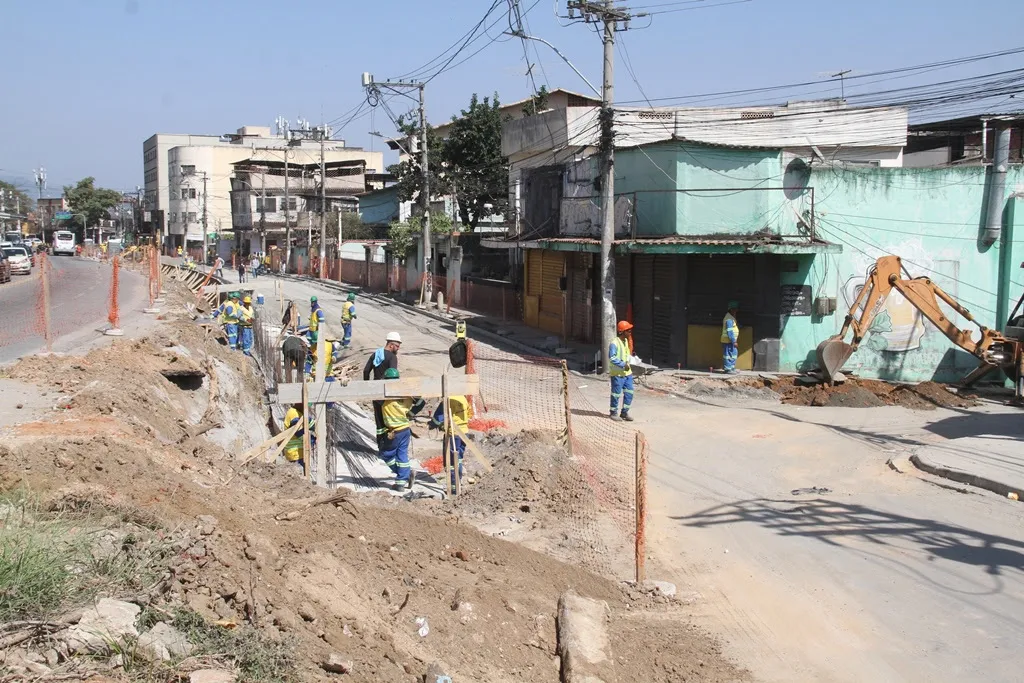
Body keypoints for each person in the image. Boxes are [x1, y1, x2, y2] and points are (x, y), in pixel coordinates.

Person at [379, 367, 425, 491]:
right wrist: (412, 412)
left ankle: (405, 475)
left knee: (386, 454)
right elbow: (421, 401)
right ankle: (401, 482)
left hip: (395, 430)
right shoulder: (406, 391)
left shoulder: (384, 393)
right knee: (402, 455)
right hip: (405, 429)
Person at [364, 332, 402, 450]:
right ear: (391, 345)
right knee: (390, 421)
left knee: (379, 422)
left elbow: (366, 371)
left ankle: (381, 447)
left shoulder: (376, 354)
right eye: (397, 346)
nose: (398, 348)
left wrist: (368, 386)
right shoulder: (392, 357)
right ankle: (389, 448)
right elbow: (393, 377)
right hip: (387, 393)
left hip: (376, 392)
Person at [430, 394, 473, 492]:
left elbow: (438, 418)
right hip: (464, 432)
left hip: (453, 433)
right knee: (459, 458)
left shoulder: (448, 400)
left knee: (452, 461)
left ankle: (454, 487)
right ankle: (458, 481)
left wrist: (432, 424)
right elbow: (469, 414)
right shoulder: (463, 398)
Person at [609, 320, 635, 421]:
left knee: (629, 393)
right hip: (617, 374)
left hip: (627, 373)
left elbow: (626, 355)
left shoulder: (626, 342)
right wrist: (623, 365)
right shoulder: (614, 343)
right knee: (616, 394)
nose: (630, 332)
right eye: (628, 330)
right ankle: (613, 413)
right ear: (622, 331)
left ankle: (624, 413)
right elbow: (612, 357)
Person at [283, 403, 314, 469]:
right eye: (305, 406)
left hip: (297, 452)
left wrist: (312, 424)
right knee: (300, 474)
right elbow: (298, 433)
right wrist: (311, 440)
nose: (307, 408)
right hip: (295, 452)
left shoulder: (297, 412)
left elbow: (309, 423)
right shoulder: (294, 415)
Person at [721, 300, 740, 374]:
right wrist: (734, 341)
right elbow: (730, 331)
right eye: (735, 309)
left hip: (730, 341)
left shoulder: (731, 317)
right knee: (728, 355)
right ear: (731, 309)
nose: (736, 311)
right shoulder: (729, 319)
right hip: (728, 340)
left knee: (733, 354)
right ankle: (728, 369)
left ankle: (732, 367)